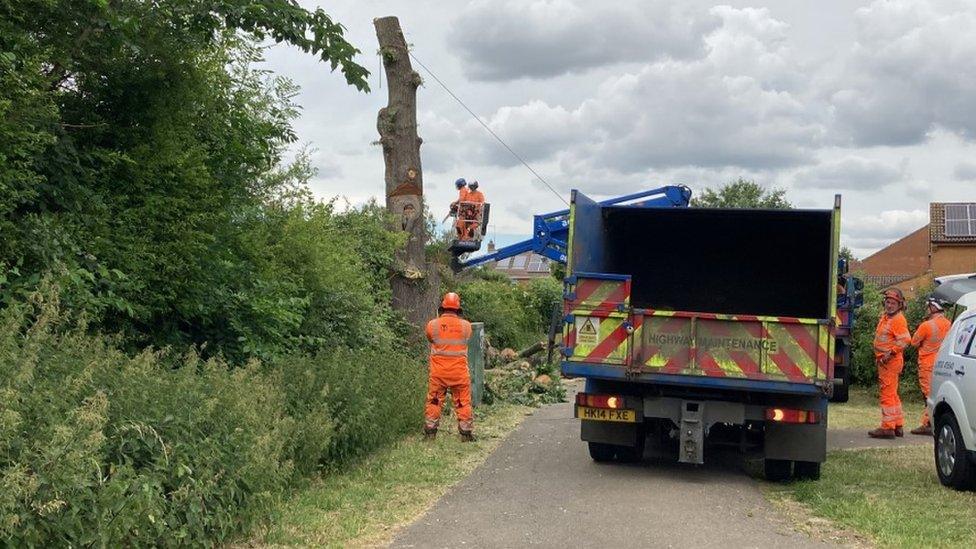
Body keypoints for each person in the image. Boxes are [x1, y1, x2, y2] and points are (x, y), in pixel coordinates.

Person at [424, 292, 475, 441]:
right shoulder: (466, 326)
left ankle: (430, 434)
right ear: (458, 309)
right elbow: (467, 338)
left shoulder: (432, 325)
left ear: (442, 307)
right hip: (459, 373)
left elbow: (430, 338)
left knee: (434, 401)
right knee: (462, 402)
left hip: (438, 373)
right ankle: (466, 435)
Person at [869, 288, 912, 439]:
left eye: (893, 303)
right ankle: (898, 425)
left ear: (899, 305)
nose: (889, 305)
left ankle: (887, 428)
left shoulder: (898, 319)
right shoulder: (887, 317)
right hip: (886, 362)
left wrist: (891, 352)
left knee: (887, 394)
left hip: (890, 362)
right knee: (893, 394)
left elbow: (906, 339)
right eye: (888, 302)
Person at [909, 298, 952, 435]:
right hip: (942, 364)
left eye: (928, 307)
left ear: (933, 308)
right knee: (938, 394)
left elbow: (914, 342)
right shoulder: (949, 324)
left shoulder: (926, 325)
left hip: (927, 365)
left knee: (928, 396)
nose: (926, 309)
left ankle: (928, 423)